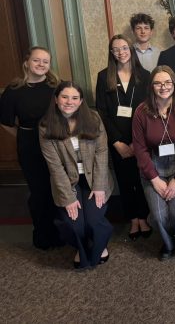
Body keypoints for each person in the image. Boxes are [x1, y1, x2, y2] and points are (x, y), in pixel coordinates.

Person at [39, 81, 113, 269]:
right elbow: (54, 167)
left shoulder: (93, 119)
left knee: (94, 220)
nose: (69, 102)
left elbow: (102, 152)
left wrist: (98, 186)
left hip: (94, 179)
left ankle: (100, 245)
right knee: (74, 224)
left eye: (74, 98)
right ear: (56, 99)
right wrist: (68, 198)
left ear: (81, 101)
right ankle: (80, 248)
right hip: (67, 182)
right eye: (64, 97)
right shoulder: (46, 126)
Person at [132, 66, 175, 261]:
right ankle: (168, 244)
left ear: (174, 85)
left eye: (168, 82)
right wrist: (154, 179)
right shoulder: (141, 112)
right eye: (158, 83)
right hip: (153, 165)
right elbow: (140, 149)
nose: (163, 87)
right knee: (160, 216)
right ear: (151, 86)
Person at [0, 47, 62, 249]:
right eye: (37, 60)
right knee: (39, 191)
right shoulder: (14, 90)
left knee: (58, 186)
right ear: (27, 62)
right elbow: (5, 122)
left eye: (46, 61)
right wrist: (23, 135)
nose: (41, 64)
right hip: (29, 145)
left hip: (56, 143)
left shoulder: (56, 87)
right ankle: (43, 234)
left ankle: (62, 231)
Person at [96, 34, 151, 240]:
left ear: (131, 50)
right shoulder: (104, 77)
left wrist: (138, 143)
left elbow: (150, 110)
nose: (121, 52)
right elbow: (102, 111)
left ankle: (144, 217)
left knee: (142, 178)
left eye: (125, 48)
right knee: (125, 180)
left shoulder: (144, 76)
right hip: (117, 140)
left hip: (141, 140)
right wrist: (117, 142)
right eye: (116, 49)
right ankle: (133, 219)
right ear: (112, 53)